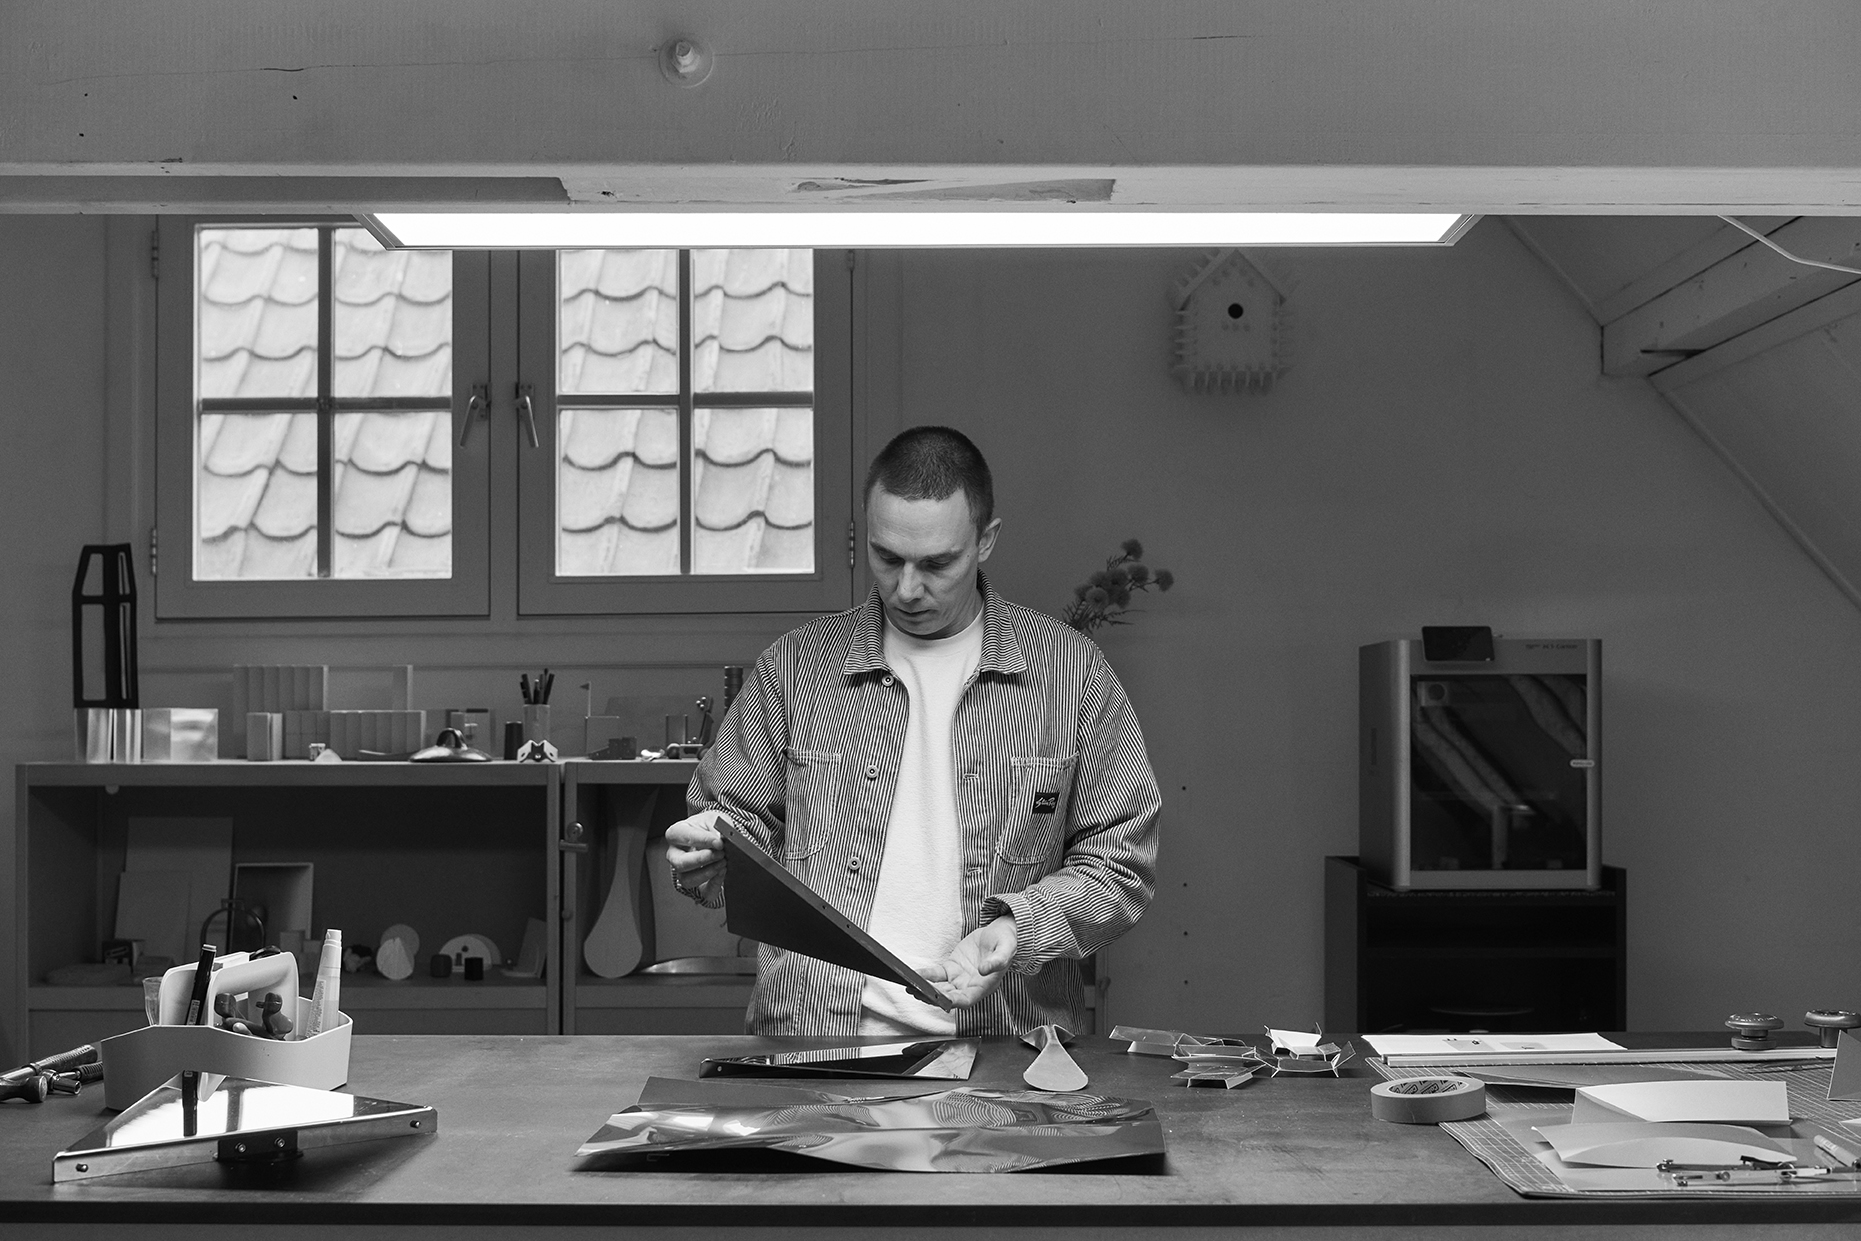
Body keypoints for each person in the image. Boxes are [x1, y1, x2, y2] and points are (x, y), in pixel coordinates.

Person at [667, 426, 1161, 1037]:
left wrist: (1019, 927)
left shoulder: (1069, 672)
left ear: (986, 541)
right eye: (887, 557)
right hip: (814, 1047)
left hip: (1006, 1051)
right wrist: (712, 853)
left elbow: (1122, 863)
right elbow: (734, 834)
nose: (906, 588)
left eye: (936, 564)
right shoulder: (794, 669)